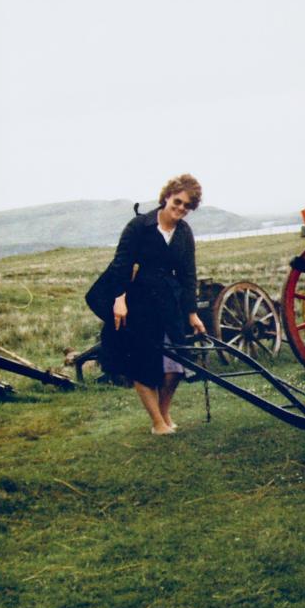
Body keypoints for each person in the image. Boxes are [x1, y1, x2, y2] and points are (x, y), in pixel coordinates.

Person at [98, 174, 207, 434]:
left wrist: (192, 312)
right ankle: (158, 423)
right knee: (143, 364)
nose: (180, 208)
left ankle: (164, 412)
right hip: (139, 303)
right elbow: (121, 264)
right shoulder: (139, 226)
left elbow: (188, 274)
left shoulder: (184, 232)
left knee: (176, 366)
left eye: (187, 206)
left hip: (170, 303)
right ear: (167, 197)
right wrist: (119, 299)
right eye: (177, 201)